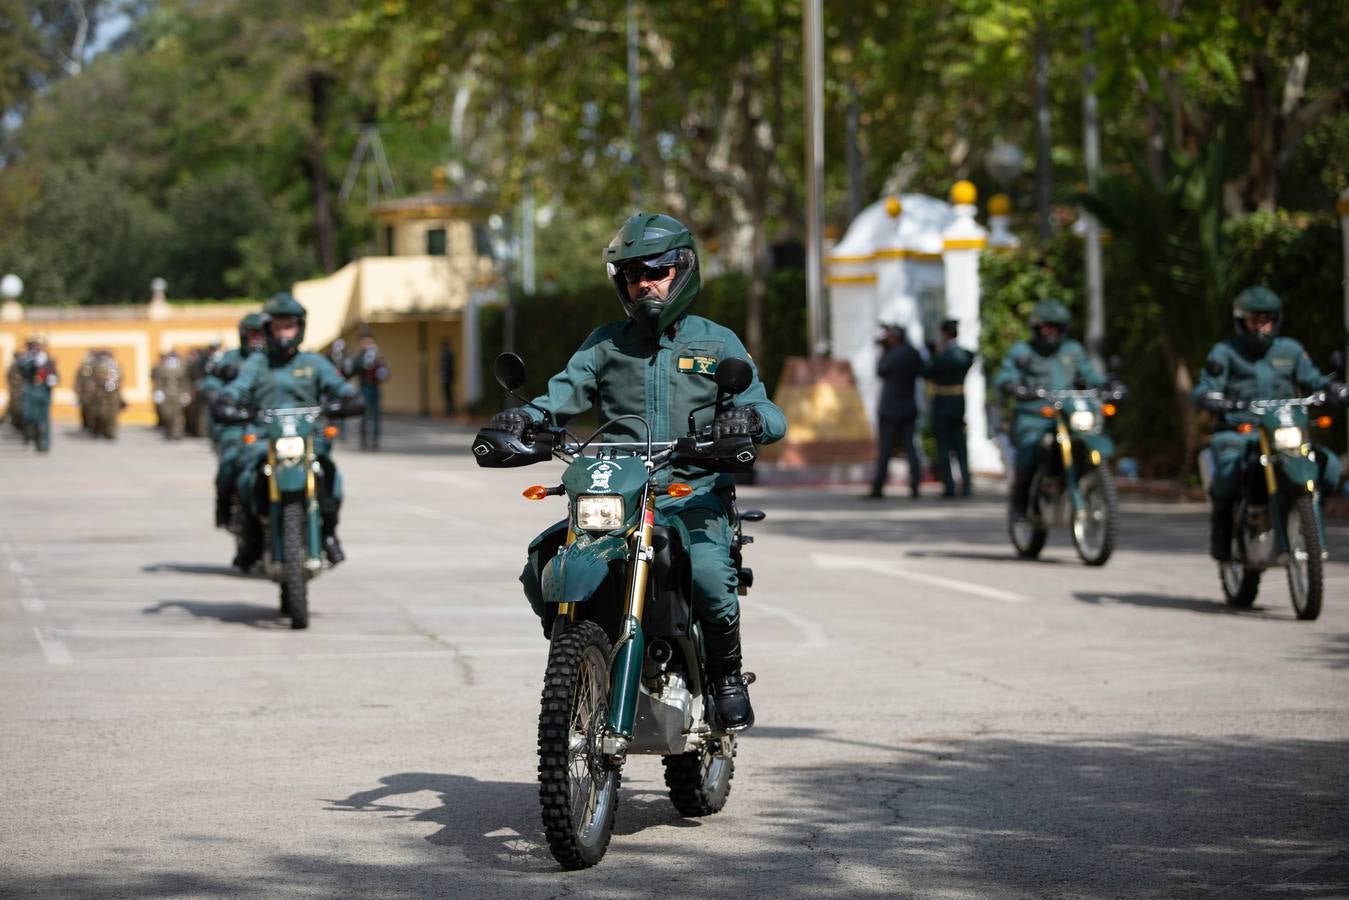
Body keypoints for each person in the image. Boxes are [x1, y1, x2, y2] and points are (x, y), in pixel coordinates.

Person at [486, 211, 786, 731]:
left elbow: (772, 413)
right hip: (615, 495)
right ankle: (584, 658)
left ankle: (726, 676)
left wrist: (748, 419)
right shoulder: (605, 344)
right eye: (631, 274)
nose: (643, 282)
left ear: (683, 270)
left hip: (690, 494)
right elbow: (559, 396)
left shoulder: (718, 344)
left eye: (656, 270)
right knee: (542, 565)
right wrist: (525, 418)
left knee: (714, 578)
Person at [1192, 286, 1347, 560]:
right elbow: (1206, 385)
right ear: (1241, 321)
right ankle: (1223, 537)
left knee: (1330, 465)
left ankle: (1304, 512)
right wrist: (1212, 398)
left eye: (1266, 320)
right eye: (1254, 320)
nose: (1260, 327)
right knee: (1228, 475)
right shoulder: (1225, 352)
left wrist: (1333, 388)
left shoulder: (1291, 350)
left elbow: (1313, 379)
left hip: (1285, 430)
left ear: (1276, 320)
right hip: (1241, 431)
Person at [214, 293, 364, 569]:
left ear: (300, 327)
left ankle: (329, 531)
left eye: (289, 326)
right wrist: (227, 402)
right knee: (249, 479)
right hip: (264, 440)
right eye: (278, 326)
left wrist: (348, 400)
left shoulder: (313, 362)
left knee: (329, 476)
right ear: (269, 329)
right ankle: (254, 538)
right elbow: (235, 388)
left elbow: (342, 388)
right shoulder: (258, 363)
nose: (284, 333)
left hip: (310, 441)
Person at [992, 299, 1109, 524]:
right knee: (1027, 455)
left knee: (1091, 436)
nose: (1050, 332)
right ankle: (1020, 504)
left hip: (1068, 412)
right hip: (1034, 415)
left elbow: (1091, 375)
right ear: (1037, 328)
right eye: (1046, 327)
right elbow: (1005, 376)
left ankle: (1081, 482)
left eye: (1055, 328)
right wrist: (1014, 387)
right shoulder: (1023, 351)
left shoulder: (1072, 350)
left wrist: (1107, 385)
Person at [202, 313, 267, 528]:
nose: (258, 339)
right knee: (231, 459)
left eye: (262, 334)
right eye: (253, 334)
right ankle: (224, 507)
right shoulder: (230, 358)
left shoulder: (277, 359)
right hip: (237, 423)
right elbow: (211, 382)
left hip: (271, 423)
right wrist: (215, 396)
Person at [865, 323, 925, 499]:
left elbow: (880, 371)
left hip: (890, 409)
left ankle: (878, 487)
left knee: (885, 450)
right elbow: (923, 370)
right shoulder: (913, 353)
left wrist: (884, 350)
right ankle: (915, 485)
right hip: (908, 407)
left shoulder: (891, 354)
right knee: (910, 448)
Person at [924, 319, 976, 498]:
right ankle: (967, 484)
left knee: (944, 447)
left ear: (945, 334)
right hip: (959, 403)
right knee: (961, 447)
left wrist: (934, 353)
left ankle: (949, 486)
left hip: (942, 404)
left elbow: (927, 372)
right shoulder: (966, 355)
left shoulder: (942, 356)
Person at [350, 330, 389, 451]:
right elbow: (354, 369)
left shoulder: (378, 355)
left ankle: (375, 441)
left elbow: (384, 372)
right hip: (364, 387)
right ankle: (364, 441)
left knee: (376, 415)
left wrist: (380, 365)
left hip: (374, 387)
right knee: (363, 416)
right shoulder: (360, 356)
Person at [17, 336, 58, 452]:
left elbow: (55, 375)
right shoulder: (26, 359)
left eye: (38, 346)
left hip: (44, 393)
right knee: (30, 417)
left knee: (44, 420)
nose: (35, 348)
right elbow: (22, 368)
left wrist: (53, 378)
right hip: (30, 393)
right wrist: (32, 360)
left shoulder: (48, 361)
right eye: (32, 346)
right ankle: (31, 437)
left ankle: (44, 444)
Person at [152, 349, 189, 440]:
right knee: (167, 414)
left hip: (177, 393)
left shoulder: (182, 368)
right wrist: (158, 392)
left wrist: (185, 393)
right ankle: (169, 431)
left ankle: (177, 432)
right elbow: (158, 382)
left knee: (177, 414)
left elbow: (185, 382)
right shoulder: (162, 368)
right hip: (166, 394)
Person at [438, 338, 457, 416]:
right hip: (447, 376)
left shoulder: (447, 354)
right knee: (447, 393)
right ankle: (449, 409)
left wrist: (443, 373)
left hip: (447, 376)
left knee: (448, 393)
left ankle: (450, 409)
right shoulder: (446, 354)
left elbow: (446, 366)